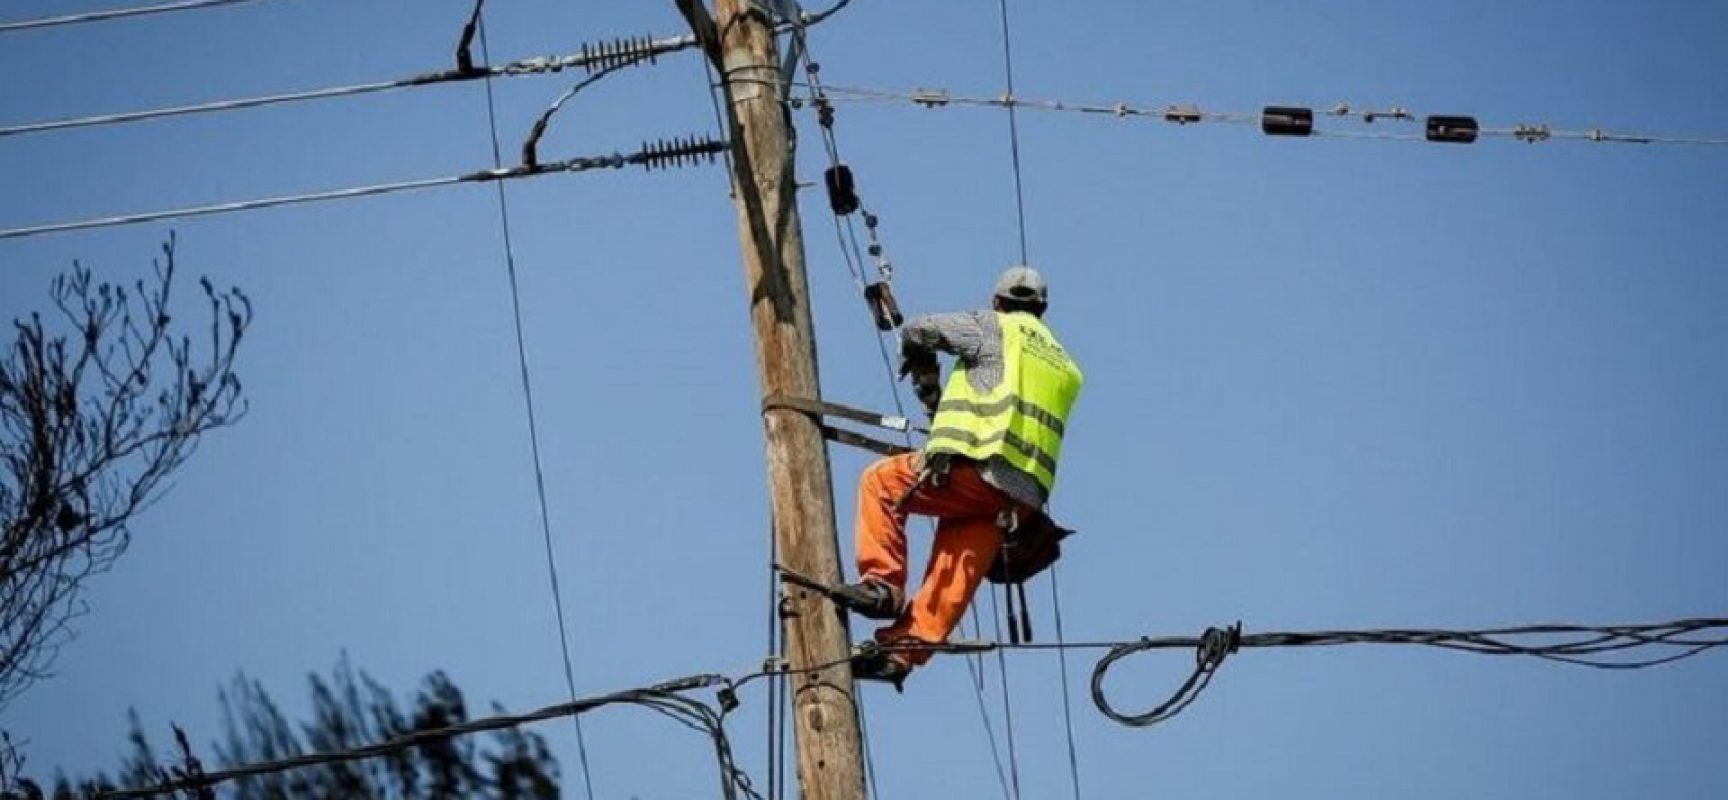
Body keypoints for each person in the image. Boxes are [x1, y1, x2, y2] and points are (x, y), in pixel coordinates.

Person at [839, 265, 1084, 688]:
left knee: (881, 482)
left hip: (981, 470)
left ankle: (882, 586)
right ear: (1042, 309)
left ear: (998, 302)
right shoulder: (1066, 365)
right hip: (1021, 498)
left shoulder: (993, 327)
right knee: (956, 567)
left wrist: (921, 365)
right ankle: (901, 653)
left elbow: (920, 329)